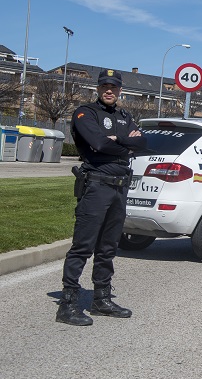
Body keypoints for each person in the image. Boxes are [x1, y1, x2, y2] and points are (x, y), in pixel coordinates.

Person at [56, 69, 146, 326]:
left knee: (108, 248)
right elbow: (98, 143)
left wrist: (118, 138)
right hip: (96, 186)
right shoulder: (86, 113)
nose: (109, 90)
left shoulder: (124, 115)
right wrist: (126, 143)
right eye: (105, 86)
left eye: (114, 86)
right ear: (97, 88)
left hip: (119, 188)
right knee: (83, 247)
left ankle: (101, 299)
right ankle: (68, 304)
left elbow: (144, 142)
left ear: (120, 90)